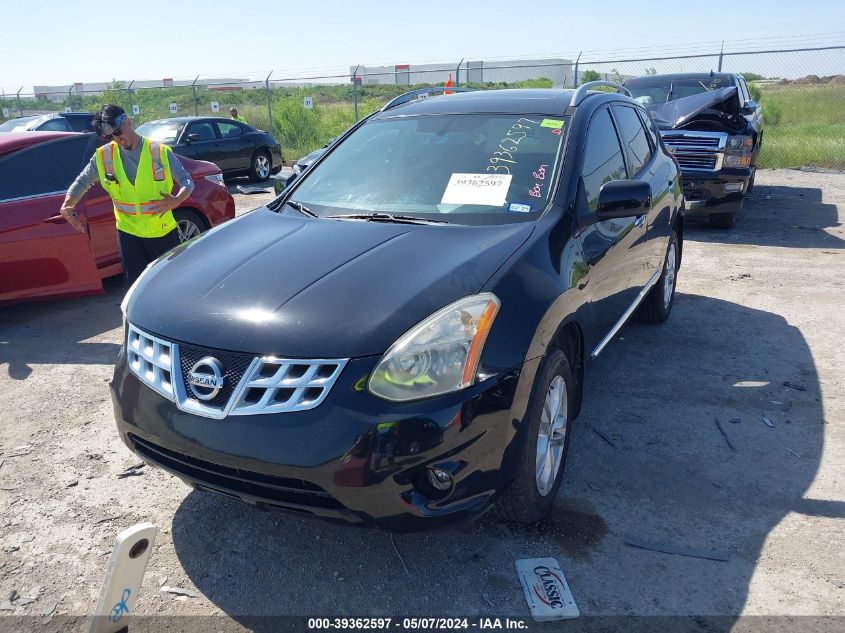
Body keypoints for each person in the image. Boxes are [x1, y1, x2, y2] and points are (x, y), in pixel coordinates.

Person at [60, 104, 194, 284]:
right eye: (109, 137)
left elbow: (187, 180)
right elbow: (83, 181)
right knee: (136, 287)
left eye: (117, 133)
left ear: (129, 122)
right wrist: (67, 204)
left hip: (163, 233)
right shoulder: (104, 156)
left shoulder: (159, 152)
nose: (116, 140)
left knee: (171, 284)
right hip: (128, 235)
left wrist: (177, 200)